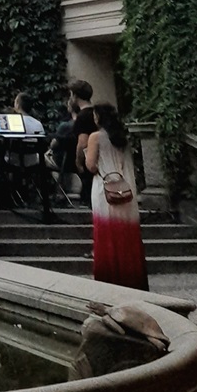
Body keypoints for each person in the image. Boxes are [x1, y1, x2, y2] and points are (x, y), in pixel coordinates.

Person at [84, 103, 148, 290]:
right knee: (127, 235)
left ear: (99, 117)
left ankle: (110, 279)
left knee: (106, 233)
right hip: (126, 188)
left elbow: (91, 166)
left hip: (104, 190)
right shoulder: (122, 137)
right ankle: (133, 278)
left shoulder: (95, 137)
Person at [69, 79, 98, 206]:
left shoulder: (82, 117)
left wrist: (78, 161)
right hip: (100, 156)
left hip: (89, 157)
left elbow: (82, 142)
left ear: (75, 96)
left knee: (89, 192)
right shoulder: (97, 112)